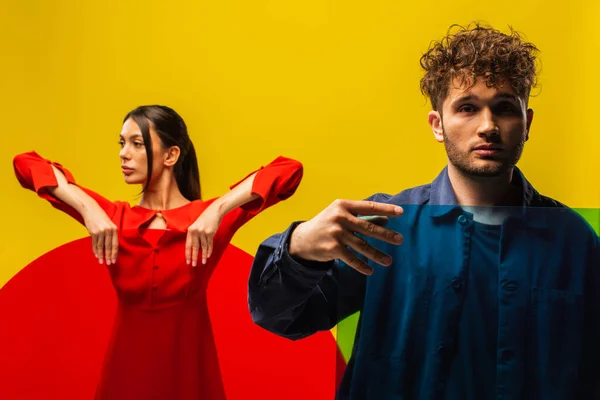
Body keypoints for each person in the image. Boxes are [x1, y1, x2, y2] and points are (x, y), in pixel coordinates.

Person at [248, 24, 600, 399]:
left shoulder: (574, 241)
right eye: (467, 108)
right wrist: (299, 248)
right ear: (437, 125)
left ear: (527, 123)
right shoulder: (383, 224)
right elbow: (281, 317)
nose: (488, 127)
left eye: (504, 108)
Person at [13, 105, 303, 400]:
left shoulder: (205, 223)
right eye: (122, 143)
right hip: (124, 373)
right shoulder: (112, 218)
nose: (124, 153)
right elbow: (25, 164)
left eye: (137, 143)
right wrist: (88, 209)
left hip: (189, 371)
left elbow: (289, 170)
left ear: (171, 155)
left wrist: (218, 208)